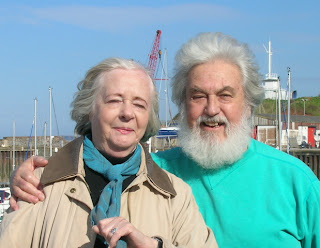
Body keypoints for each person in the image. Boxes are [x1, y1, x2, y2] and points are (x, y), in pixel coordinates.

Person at [9, 32, 320, 247]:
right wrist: (29, 176)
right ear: (182, 104)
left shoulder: (297, 182)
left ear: (249, 103)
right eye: (197, 96)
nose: (212, 110)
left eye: (226, 95)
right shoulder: (154, 174)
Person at [0, 57, 217, 248]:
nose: (127, 113)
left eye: (139, 105)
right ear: (90, 110)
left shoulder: (175, 195)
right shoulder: (38, 183)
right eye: (114, 100)